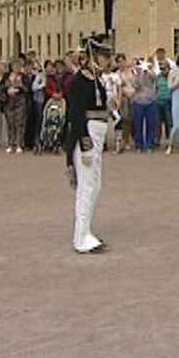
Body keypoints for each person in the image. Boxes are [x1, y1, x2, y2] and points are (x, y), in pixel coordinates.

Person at [67, 37, 113, 254]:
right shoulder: (79, 81)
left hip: (98, 134)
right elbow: (76, 114)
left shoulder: (97, 80)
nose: (106, 62)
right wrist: (84, 143)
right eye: (103, 57)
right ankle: (80, 236)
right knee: (86, 186)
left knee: (94, 185)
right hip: (88, 135)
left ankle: (85, 231)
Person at [3, 59, 28, 154]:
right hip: (9, 101)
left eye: (19, 66)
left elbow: (27, 89)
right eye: (15, 66)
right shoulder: (7, 76)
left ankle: (19, 144)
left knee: (19, 122)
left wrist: (20, 86)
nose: (17, 68)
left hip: (20, 101)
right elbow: (1, 87)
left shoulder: (23, 77)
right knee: (10, 123)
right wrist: (7, 90)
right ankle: (10, 144)